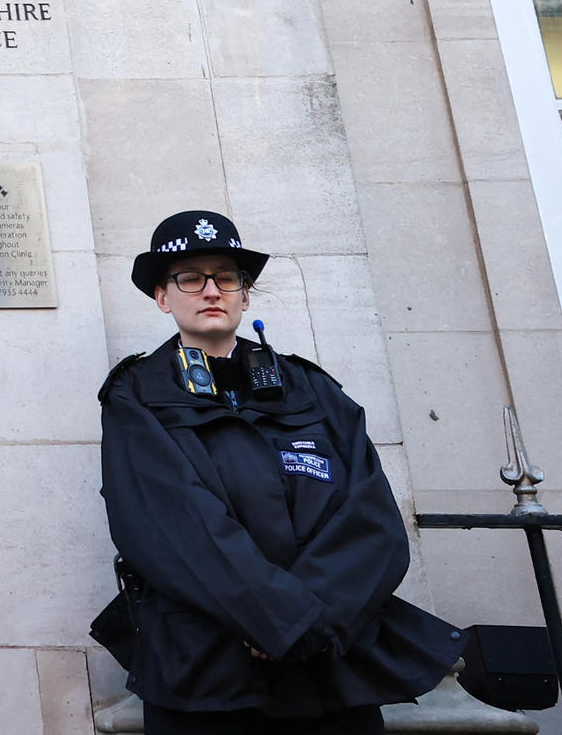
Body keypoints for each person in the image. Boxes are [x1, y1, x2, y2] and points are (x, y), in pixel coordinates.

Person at [94, 212, 463, 735]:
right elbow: (170, 522)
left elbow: (371, 517)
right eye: (190, 278)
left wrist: (311, 620)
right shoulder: (138, 395)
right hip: (208, 669)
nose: (211, 291)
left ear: (245, 296)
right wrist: (277, 619)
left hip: (329, 663)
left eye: (227, 277)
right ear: (162, 297)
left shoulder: (311, 388)